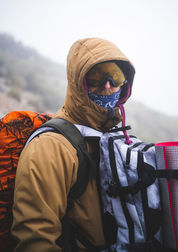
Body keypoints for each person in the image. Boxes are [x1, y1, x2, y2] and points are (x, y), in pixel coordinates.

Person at [11, 37, 135, 251]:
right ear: (79, 82)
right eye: (96, 76)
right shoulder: (50, 147)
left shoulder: (110, 138)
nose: (108, 85)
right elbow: (35, 239)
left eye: (116, 76)